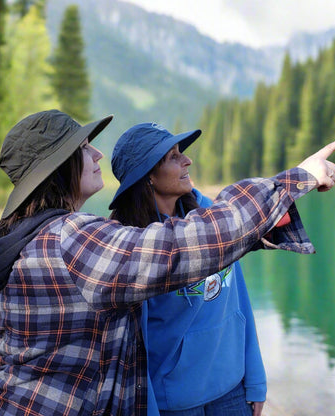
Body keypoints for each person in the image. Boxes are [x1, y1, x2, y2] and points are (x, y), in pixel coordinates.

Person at [0, 109, 335, 416]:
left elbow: (199, 247)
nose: (96, 154)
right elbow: (177, 249)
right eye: (83, 149)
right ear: (59, 169)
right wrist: (295, 180)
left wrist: (266, 220)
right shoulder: (69, 238)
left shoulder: (41, 237)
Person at [108, 123, 268, 416]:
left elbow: (240, 299)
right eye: (172, 157)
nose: (187, 160)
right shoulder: (133, 245)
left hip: (233, 390)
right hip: (174, 403)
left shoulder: (211, 218)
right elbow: (134, 346)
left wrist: (255, 378)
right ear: (148, 178)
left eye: (181, 153)